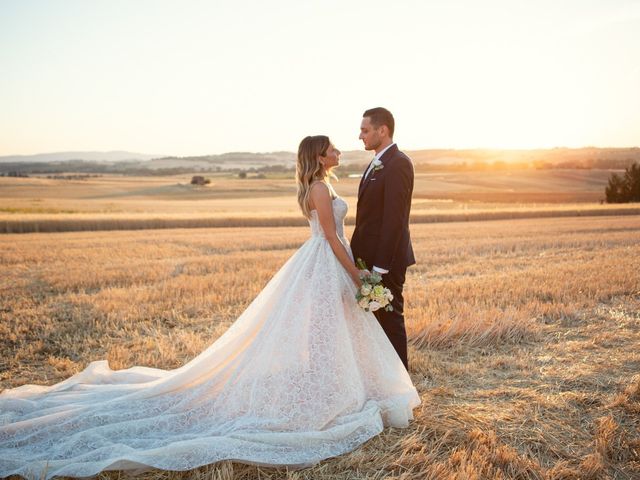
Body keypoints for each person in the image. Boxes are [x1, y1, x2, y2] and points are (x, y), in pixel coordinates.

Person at [0, 135, 420, 479]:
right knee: (327, 330)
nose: (340, 150)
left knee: (334, 331)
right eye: (332, 148)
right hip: (328, 262)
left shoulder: (320, 186)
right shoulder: (318, 188)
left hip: (326, 262)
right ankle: (333, 392)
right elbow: (330, 237)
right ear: (319, 155)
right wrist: (356, 275)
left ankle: (342, 385)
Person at [351, 108, 416, 370]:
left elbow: (394, 220)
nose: (360, 136)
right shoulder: (378, 161)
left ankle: (402, 393)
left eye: (365, 130)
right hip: (367, 261)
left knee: (390, 324)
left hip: (384, 263)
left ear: (383, 130)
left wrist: (379, 268)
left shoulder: (398, 163)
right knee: (373, 327)